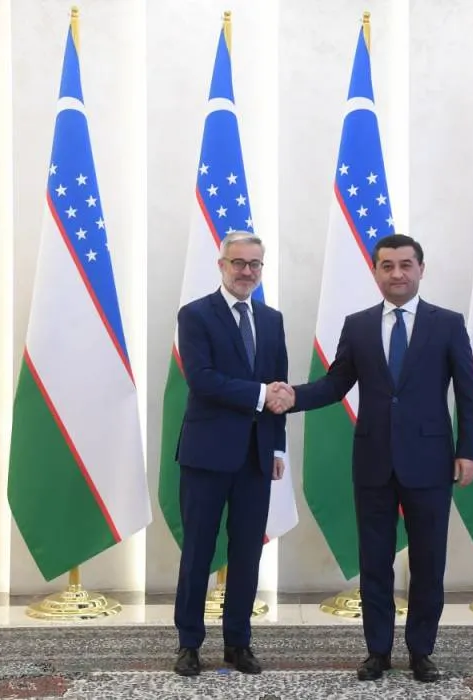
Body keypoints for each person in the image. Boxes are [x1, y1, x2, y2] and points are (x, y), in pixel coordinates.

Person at [281, 233, 473, 683]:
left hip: (430, 462)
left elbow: (469, 391)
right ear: (375, 272)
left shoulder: (448, 324)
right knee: (374, 562)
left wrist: (469, 450)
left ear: (421, 269)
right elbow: (335, 384)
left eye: (406, 265)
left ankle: (421, 652)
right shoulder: (357, 325)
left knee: (428, 563)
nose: (397, 274)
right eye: (387, 266)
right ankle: (377, 652)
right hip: (373, 462)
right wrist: (291, 396)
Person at [171, 231, 293, 677]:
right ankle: (188, 643)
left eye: (254, 264)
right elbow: (202, 379)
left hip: (256, 457)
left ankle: (238, 643)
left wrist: (276, 446)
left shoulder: (273, 319)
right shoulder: (195, 315)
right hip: (206, 456)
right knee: (198, 552)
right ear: (221, 265)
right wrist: (261, 394)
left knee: (247, 554)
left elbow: (279, 387)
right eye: (238, 263)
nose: (246, 271)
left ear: (262, 269)